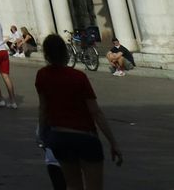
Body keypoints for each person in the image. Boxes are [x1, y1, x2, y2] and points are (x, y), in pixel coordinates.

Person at [33, 32, 120, 190]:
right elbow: (95, 112)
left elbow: (43, 109)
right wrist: (113, 142)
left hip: (60, 137)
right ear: (65, 53)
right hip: (84, 136)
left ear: (46, 54)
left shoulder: (42, 75)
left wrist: (42, 134)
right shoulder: (78, 76)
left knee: (73, 185)